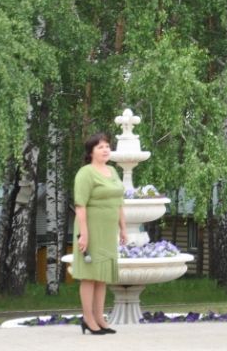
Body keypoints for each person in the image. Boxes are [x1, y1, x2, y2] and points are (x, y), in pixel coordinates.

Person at [72, 133, 127, 335]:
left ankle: (99, 318)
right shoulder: (85, 173)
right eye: (100, 147)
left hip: (108, 230)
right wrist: (84, 234)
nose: (105, 149)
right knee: (89, 275)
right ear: (91, 152)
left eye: (107, 146)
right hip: (90, 229)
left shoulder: (112, 171)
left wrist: (123, 227)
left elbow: (119, 201)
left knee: (102, 276)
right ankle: (88, 319)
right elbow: (80, 205)